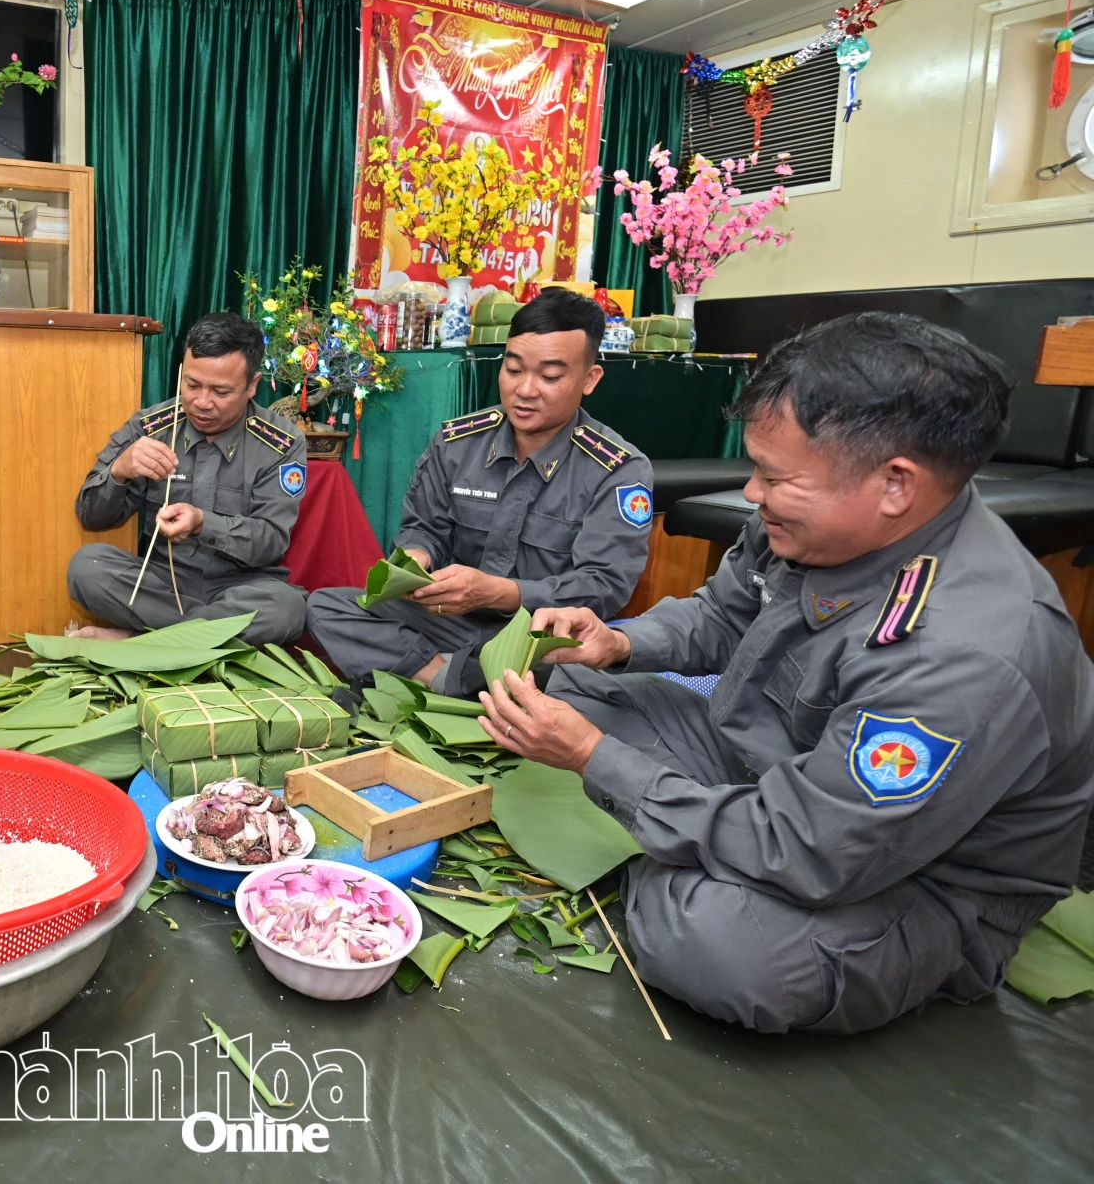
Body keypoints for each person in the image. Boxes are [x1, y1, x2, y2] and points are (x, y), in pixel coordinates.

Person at [476, 313, 1094, 1034]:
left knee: (721, 949)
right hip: (769, 771)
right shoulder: (815, 523)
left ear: (896, 483)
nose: (751, 490)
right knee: (570, 681)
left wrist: (592, 760)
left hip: (909, 880)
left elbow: (812, 846)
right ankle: (686, 842)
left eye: (774, 476)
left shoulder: (965, 652)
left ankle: (670, 862)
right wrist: (613, 641)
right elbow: (720, 616)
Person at [307, 288, 652, 695]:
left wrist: (501, 594)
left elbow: (602, 586)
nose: (525, 389)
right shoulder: (457, 442)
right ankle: (448, 677)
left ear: (589, 379)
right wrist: (416, 560)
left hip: (537, 635)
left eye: (550, 376)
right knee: (327, 606)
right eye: (513, 368)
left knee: (581, 672)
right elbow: (423, 528)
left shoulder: (618, 469)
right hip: (452, 620)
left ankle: (440, 674)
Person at [67, 311, 308, 647]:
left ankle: (137, 642)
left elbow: (270, 540)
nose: (201, 402)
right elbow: (90, 516)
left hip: (241, 586)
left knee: (286, 609)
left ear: (252, 386)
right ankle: (205, 641)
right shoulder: (151, 427)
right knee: (86, 568)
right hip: (160, 583)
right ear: (182, 370)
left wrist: (201, 523)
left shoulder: (281, 443)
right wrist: (119, 471)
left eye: (221, 391)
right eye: (192, 384)